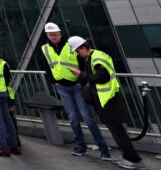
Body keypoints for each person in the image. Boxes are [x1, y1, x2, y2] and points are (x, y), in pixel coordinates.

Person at [69, 36, 146, 170]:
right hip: (105, 100)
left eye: (77, 51)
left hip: (108, 100)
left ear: (83, 47)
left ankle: (134, 159)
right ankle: (127, 157)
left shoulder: (96, 58)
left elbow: (102, 77)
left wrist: (81, 75)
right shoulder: (94, 57)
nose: (78, 54)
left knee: (118, 132)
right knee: (117, 131)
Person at [41, 22, 110, 158]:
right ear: (47, 36)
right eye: (50, 35)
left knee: (87, 117)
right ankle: (80, 147)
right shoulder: (45, 48)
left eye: (55, 34)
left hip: (76, 85)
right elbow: (46, 66)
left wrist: (81, 82)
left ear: (60, 34)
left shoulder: (71, 45)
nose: (53, 37)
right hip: (62, 87)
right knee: (72, 118)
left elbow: (84, 63)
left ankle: (104, 149)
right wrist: (53, 81)